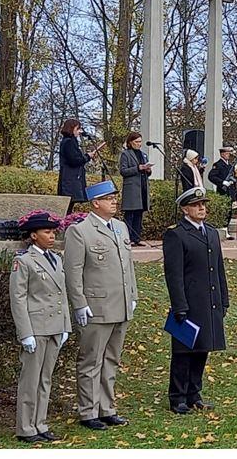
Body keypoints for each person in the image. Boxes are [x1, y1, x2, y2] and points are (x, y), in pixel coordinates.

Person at [63, 180, 138, 431]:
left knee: (112, 360)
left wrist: (133, 294)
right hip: (96, 307)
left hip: (121, 304)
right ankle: (88, 410)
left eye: (114, 198)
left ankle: (107, 408)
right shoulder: (80, 231)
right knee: (91, 361)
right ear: (95, 203)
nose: (114, 202)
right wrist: (79, 304)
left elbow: (128, 265)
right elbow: (73, 272)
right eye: (108, 198)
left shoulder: (120, 227)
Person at [162, 187, 229, 414]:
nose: (202, 208)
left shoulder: (210, 232)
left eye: (203, 204)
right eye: (196, 205)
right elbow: (174, 274)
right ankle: (177, 397)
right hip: (190, 302)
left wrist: (223, 299)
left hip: (209, 300)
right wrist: (179, 305)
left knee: (203, 348)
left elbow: (218, 269)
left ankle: (194, 394)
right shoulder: (176, 234)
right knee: (184, 350)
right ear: (184, 209)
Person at [10, 211, 71, 443]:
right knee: (30, 381)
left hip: (55, 326)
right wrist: (25, 333)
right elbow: (18, 298)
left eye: (53, 231)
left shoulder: (55, 259)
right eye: (47, 232)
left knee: (45, 379)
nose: (52, 235)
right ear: (33, 235)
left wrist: (65, 325)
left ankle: (40, 423)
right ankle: (26, 427)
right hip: (36, 328)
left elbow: (62, 294)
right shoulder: (24, 261)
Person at [57, 119, 99, 214]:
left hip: (71, 179)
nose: (80, 131)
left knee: (69, 206)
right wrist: (87, 157)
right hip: (69, 179)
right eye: (78, 129)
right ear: (72, 129)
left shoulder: (70, 141)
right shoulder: (68, 142)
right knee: (67, 207)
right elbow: (74, 160)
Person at [118, 132, 152, 246]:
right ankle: (127, 238)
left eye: (140, 142)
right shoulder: (125, 154)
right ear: (130, 142)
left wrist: (148, 170)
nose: (139, 144)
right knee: (130, 214)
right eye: (136, 142)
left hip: (142, 186)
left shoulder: (143, 154)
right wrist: (138, 168)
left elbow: (147, 172)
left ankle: (137, 238)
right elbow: (123, 171)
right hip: (132, 188)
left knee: (139, 213)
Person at [207, 146, 237, 239]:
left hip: (229, 191)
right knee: (224, 211)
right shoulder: (218, 164)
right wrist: (222, 182)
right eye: (227, 153)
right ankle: (224, 229)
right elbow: (211, 176)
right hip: (222, 191)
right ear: (222, 154)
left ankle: (226, 229)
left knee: (229, 211)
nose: (228, 155)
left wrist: (232, 181)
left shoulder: (230, 165)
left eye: (229, 153)